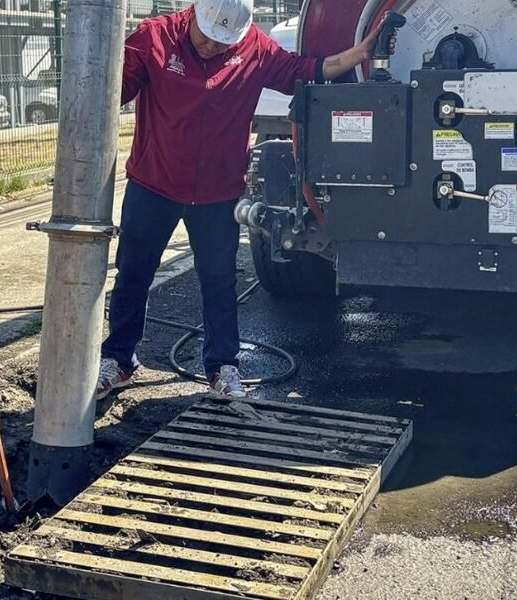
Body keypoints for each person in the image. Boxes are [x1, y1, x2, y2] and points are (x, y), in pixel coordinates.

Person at [96, 0, 381, 400]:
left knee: (219, 280)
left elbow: (304, 70)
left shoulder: (255, 48)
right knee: (133, 272)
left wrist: (359, 53)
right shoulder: (154, 38)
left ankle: (223, 366)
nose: (213, 46)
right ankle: (119, 359)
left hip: (218, 192)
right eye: (207, 37)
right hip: (154, 183)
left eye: (223, 41)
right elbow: (109, 91)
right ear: (194, 14)